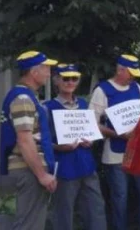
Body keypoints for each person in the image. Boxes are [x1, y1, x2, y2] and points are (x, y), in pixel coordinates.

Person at [90, 54, 140, 230]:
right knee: (120, 197)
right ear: (120, 70)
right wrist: (115, 134)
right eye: (130, 72)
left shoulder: (137, 88)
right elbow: (91, 122)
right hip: (115, 154)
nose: (132, 77)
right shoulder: (103, 90)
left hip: (138, 151)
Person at [0, 51, 58, 230]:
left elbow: (34, 136)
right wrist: (41, 175)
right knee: (29, 224)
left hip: (29, 169)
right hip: (29, 171)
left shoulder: (26, 96)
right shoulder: (23, 99)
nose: (49, 73)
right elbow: (25, 140)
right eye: (46, 68)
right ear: (34, 72)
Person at [46, 64, 107, 230]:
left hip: (87, 166)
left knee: (96, 211)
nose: (70, 82)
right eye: (66, 78)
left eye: (74, 78)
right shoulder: (48, 108)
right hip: (65, 169)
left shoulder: (83, 103)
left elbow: (91, 131)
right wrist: (59, 147)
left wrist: (91, 140)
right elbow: (41, 142)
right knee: (63, 215)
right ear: (56, 81)